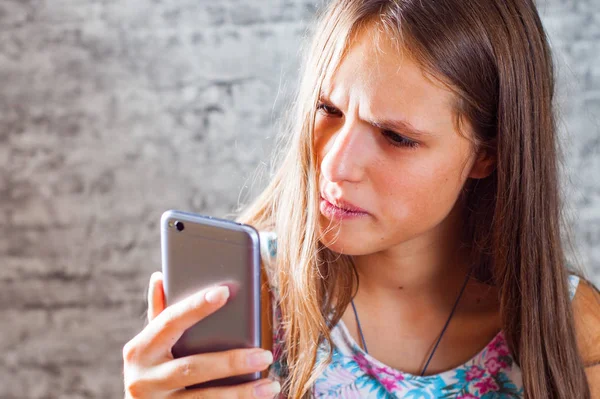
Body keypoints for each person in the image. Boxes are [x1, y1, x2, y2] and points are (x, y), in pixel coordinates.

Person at [122, 0, 600, 398]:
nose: (336, 164)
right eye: (328, 109)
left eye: (395, 136)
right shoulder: (249, 302)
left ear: (487, 156)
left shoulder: (569, 330)